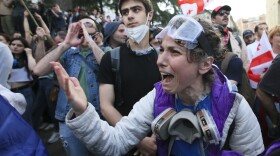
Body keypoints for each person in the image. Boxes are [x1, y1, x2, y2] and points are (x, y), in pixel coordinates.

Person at [52, 15, 264, 156]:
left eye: (174, 52)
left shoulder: (235, 108)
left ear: (205, 64)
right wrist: (82, 110)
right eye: (161, 49)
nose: (160, 60)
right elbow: (114, 143)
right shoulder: (156, 97)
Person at [32, 17, 104, 156]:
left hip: (98, 117)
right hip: (68, 117)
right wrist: (65, 44)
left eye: (88, 24)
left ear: (96, 32)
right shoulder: (67, 53)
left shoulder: (106, 50)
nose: (83, 27)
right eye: (80, 25)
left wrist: (90, 42)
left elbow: (109, 66)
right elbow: (38, 70)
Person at [99, 0, 161, 155]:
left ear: (149, 15)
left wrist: (156, 136)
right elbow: (106, 106)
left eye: (136, 10)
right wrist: (138, 140)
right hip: (127, 145)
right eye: (125, 12)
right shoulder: (111, 58)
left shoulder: (163, 58)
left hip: (162, 140)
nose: (130, 16)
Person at [211, 5, 250, 71]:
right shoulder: (209, 38)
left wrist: (240, 79)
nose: (225, 15)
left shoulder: (238, 39)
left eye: (227, 13)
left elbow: (245, 63)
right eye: (221, 13)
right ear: (213, 19)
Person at [8, 37, 36, 126]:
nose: (15, 47)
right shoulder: (5, 57)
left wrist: (29, 54)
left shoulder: (26, 59)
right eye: (13, 44)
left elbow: (33, 69)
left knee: (25, 118)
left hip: (24, 91)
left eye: (19, 45)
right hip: (8, 92)